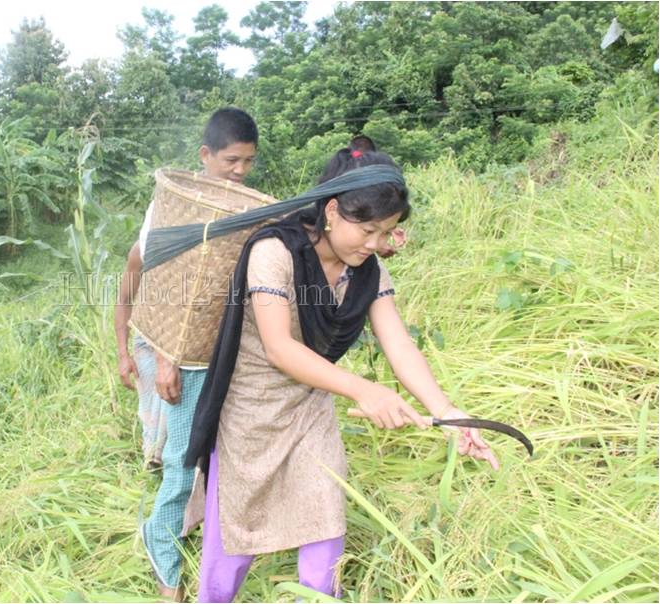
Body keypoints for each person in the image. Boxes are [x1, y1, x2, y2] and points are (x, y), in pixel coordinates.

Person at [182, 147, 500, 603]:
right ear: (332, 211)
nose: (374, 244)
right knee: (235, 535)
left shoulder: (368, 272)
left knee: (325, 521)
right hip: (249, 413)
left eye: (387, 232)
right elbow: (279, 347)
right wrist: (362, 389)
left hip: (311, 405)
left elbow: (399, 344)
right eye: (368, 230)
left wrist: (448, 414)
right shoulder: (275, 252)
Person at [114, 107, 259, 601]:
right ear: (205, 155)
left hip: (214, 353)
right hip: (175, 355)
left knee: (210, 452)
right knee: (180, 457)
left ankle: (194, 521)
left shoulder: (238, 210)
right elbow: (151, 280)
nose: (239, 171)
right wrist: (158, 356)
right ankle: (162, 551)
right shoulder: (173, 208)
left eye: (248, 162)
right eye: (231, 160)